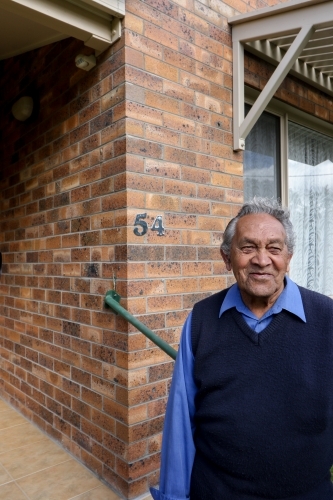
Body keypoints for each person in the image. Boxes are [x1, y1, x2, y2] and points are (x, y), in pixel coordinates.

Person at [150, 197, 333, 500]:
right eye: (248, 247)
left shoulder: (327, 319)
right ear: (227, 258)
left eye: (274, 248)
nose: (262, 260)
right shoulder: (201, 321)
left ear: (288, 257)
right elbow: (180, 424)